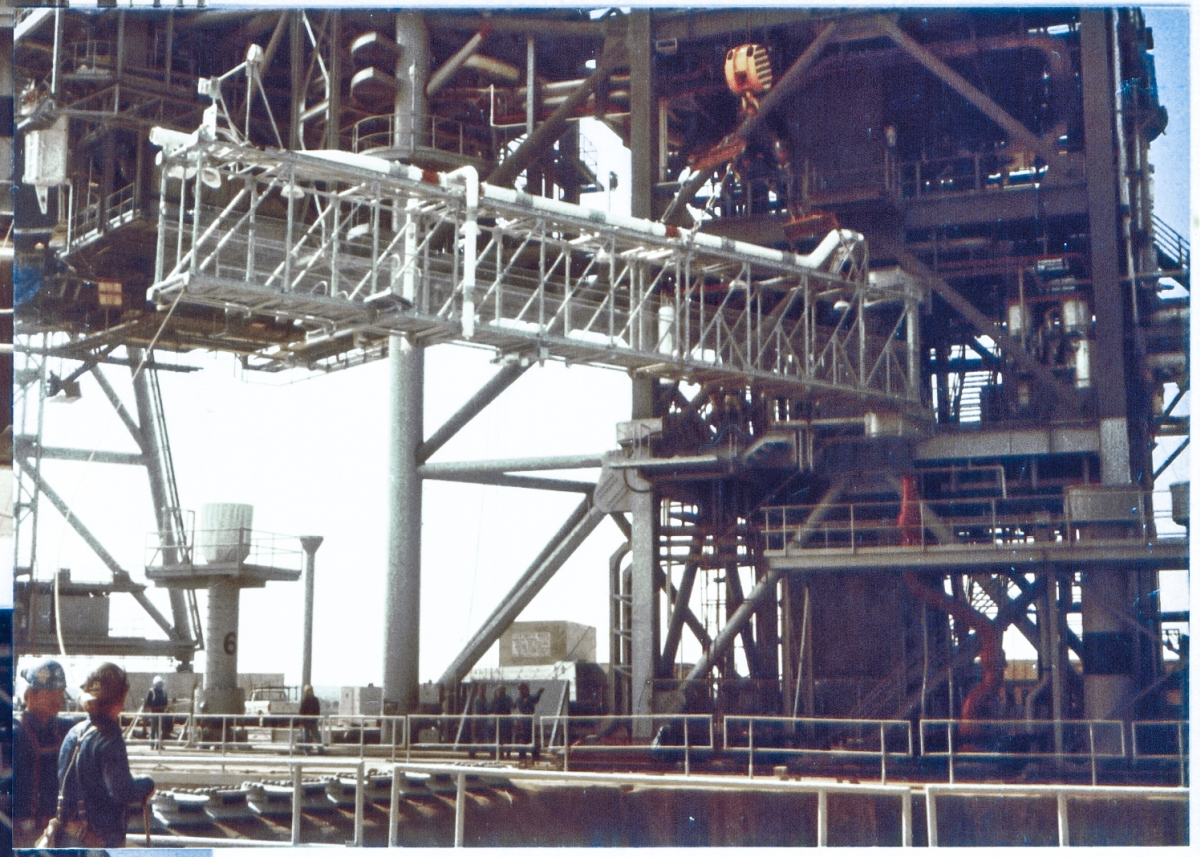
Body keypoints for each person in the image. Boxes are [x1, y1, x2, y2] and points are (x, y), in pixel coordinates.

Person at [57, 662, 155, 847]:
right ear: (121, 698)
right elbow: (122, 791)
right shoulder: (110, 738)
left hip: (69, 836)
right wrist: (147, 785)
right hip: (97, 841)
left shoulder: (74, 732)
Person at [12, 658, 72, 847]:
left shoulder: (61, 729)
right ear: (30, 695)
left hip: (52, 828)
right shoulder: (16, 732)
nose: (58, 699)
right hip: (22, 831)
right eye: (51, 693)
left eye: (60, 693)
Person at [515, 682, 544, 764]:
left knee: (532, 738)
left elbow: (535, 699)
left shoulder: (530, 697)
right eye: (523, 689)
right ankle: (522, 757)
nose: (525, 690)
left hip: (530, 721)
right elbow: (522, 708)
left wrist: (539, 693)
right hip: (524, 721)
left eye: (525, 689)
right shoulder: (519, 699)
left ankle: (535, 756)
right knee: (523, 739)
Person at [144, 676, 170, 748]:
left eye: (161, 683)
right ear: (155, 684)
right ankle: (152, 745)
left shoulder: (164, 692)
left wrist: (163, 708)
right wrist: (153, 708)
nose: (160, 685)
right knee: (153, 729)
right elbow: (148, 702)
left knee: (160, 729)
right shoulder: (151, 691)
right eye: (159, 683)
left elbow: (166, 702)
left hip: (161, 713)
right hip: (154, 713)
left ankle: (159, 745)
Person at [468, 684, 490, 759]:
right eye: (482, 689)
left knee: (481, 738)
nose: (483, 691)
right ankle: (472, 753)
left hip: (483, 722)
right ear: (479, 690)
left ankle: (472, 752)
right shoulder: (478, 699)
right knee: (477, 738)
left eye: (484, 689)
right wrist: (474, 722)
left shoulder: (484, 699)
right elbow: (476, 711)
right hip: (478, 722)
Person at [298, 685, 322, 753]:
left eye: (311, 690)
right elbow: (301, 711)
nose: (310, 692)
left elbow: (317, 710)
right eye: (308, 691)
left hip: (313, 721)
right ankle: (307, 750)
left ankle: (320, 749)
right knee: (306, 737)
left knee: (317, 736)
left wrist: (316, 719)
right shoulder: (305, 700)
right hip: (306, 722)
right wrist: (302, 722)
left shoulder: (315, 699)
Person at [492, 685, 513, 758]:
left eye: (502, 689)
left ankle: (508, 753)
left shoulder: (508, 698)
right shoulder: (496, 699)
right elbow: (493, 709)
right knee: (499, 738)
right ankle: (501, 753)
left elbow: (511, 706)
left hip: (507, 722)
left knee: (508, 738)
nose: (501, 691)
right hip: (499, 722)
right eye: (500, 689)